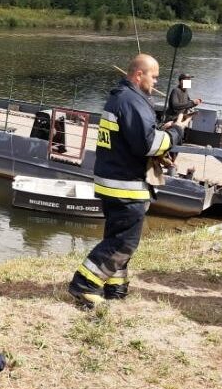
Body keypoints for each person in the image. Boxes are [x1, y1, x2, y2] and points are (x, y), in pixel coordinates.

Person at [68, 54, 190, 308]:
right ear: (138, 75)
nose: (155, 82)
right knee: (125, 241)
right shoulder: (132, 101)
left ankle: (116, 287)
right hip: (126, 184)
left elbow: (133, 136)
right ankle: (84, 284)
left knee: (116, 235)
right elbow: (148, 145)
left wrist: (161, 128)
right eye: (153, 76)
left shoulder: (120, 98)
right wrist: (176, 133)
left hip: (111, 181)